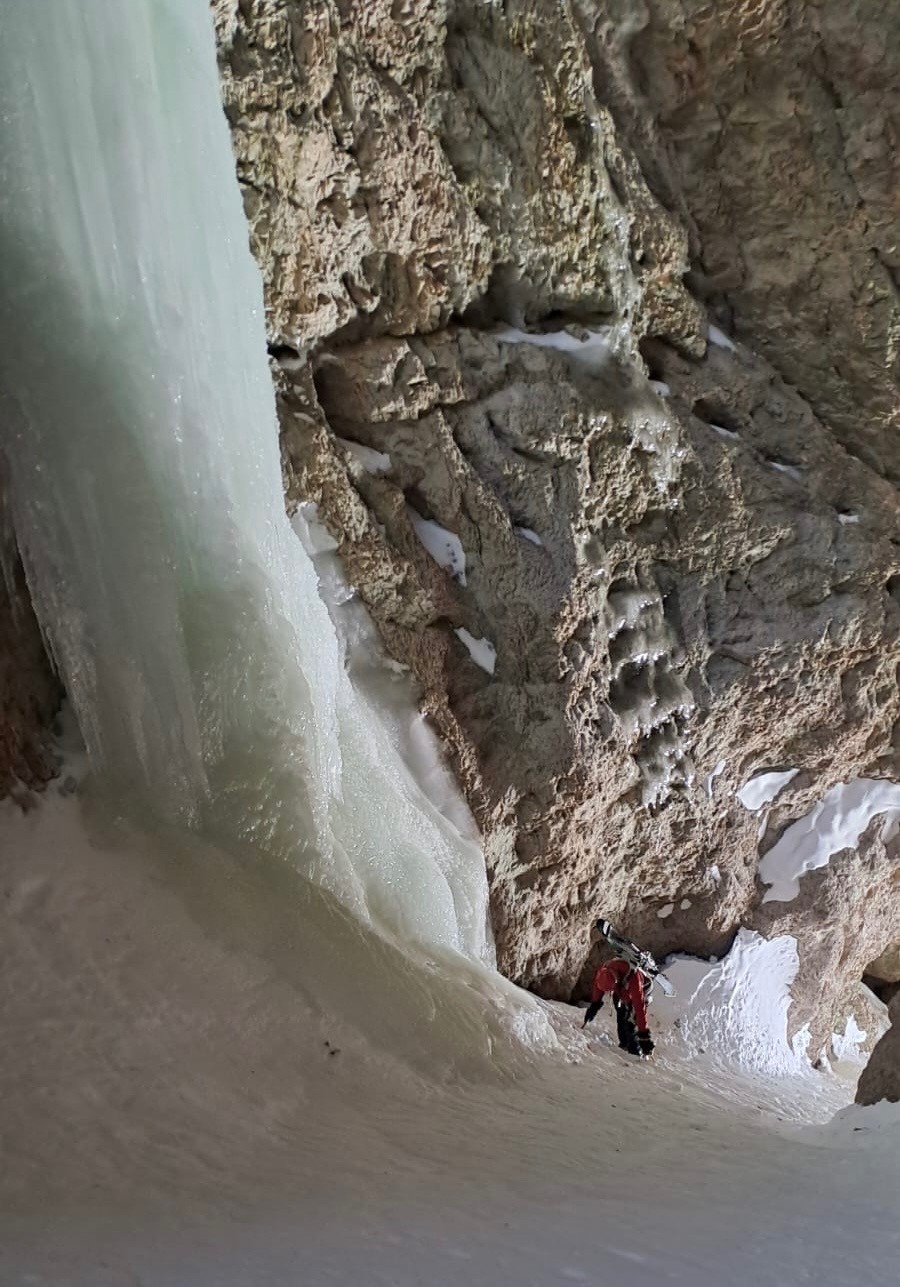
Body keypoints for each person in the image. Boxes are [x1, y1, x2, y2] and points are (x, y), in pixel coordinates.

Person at [582, 956, 655, 1057]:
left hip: (639, 991)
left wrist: (644, 1036)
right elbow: (598, 988)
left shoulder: (634, 978)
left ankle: (635, 1052)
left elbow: (639, 1008)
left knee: (631, 1023)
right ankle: (624, 1044)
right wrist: (594, 1005)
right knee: (621, 1016)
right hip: (620, 991)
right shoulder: (604, 972)